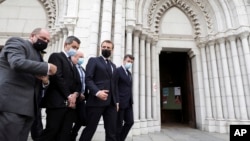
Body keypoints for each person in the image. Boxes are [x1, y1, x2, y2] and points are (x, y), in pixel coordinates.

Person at [0, 28, 57, 141]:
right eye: (43, 38)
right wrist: (48, 67)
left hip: (28, 108)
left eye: (48, 40)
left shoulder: (37, 53)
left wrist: (45, 80)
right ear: (32, 36)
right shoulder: (17, 42)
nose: (45, 42)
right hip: (12, 104)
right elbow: (17, 62)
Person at [39, 36, 82, 141]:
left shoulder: (72, 63)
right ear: (65, 45)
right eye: (73, 47)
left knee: (65, 133)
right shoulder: (56, 57)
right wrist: (69, 95)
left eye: (77, 48)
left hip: (70, 105)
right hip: (57, 103)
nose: (75, 50)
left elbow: (78, 82)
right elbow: (57, 77)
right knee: (51, 131)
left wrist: (75, 94)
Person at [79, 40, 119, 141]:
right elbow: (88, 79)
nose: (106, 49)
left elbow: (114, 85)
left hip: (111, 103)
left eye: (108, 48)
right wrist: (97, 92)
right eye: (104, 47)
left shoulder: (113, 66)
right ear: (100, 48)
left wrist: (117, 101)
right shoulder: (94, 60)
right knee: (90, 129)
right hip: (96, 101)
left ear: (112, 50)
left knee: (111, 131)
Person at [115, 54, 134, 141]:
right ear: (124, 61)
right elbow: (114, 87)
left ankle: (120, 139)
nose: (130, 63)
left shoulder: (129, 73)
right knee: (118, 125)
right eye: (128, 61)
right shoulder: (118, 71)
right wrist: (116, 101)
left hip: (129, 103)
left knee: (130, 122)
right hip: (120, 102)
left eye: (131, 62)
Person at [70, 50, 88, 141]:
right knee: (70, 119)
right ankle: (70, 137)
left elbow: (84, 83)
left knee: (83, 119)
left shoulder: (82, 69)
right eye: (80, 56)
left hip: (81, 99)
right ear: (75, 57)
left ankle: (73, 133)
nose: (81, 59)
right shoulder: (72, 68)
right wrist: (77, 93)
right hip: (73, 97)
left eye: (82, 57)